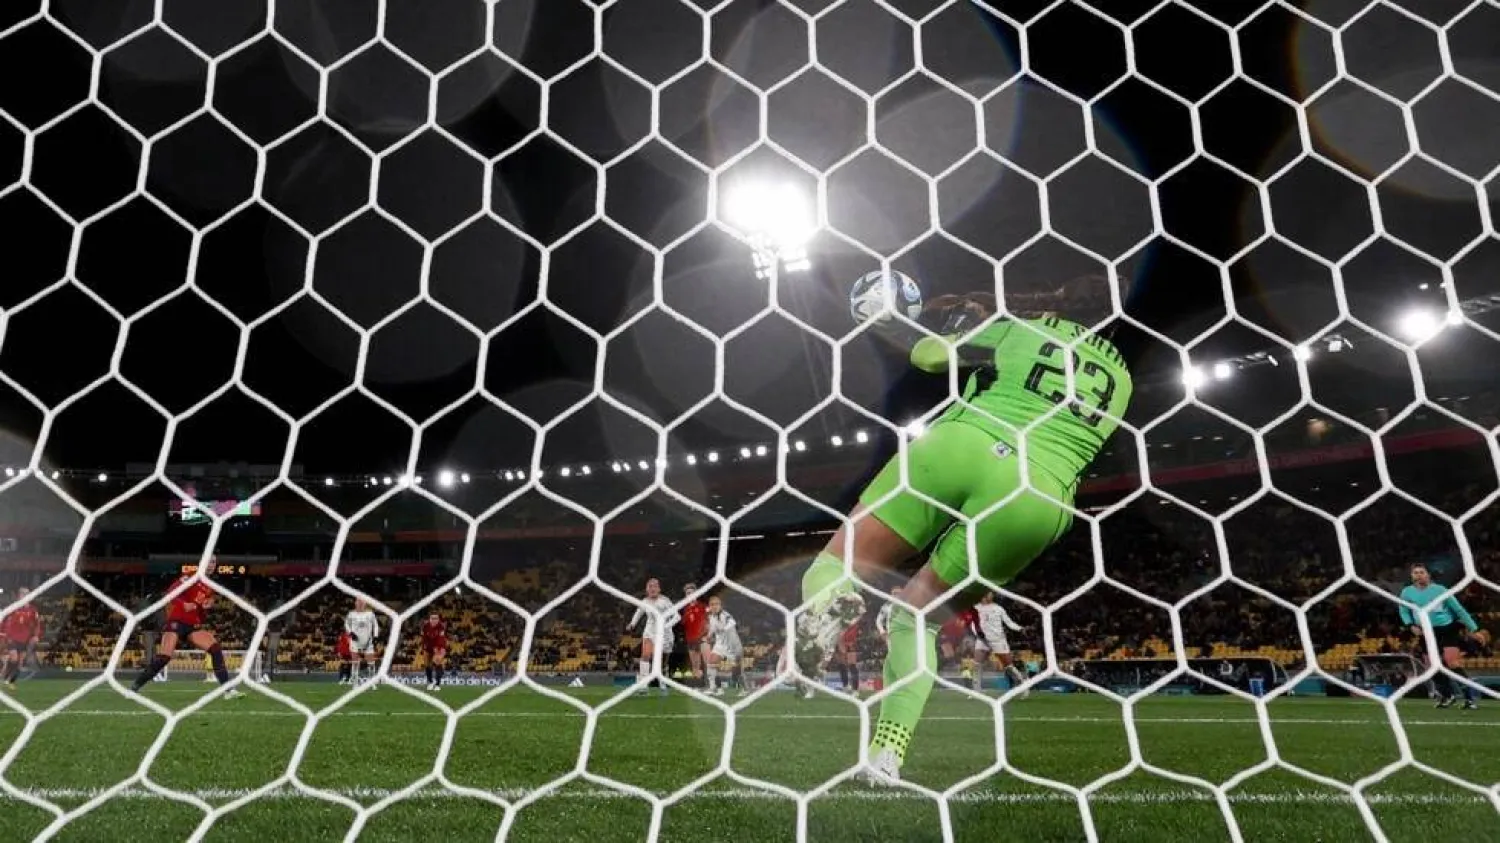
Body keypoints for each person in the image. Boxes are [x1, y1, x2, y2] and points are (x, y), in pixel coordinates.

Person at [795, 276, 1132, 782]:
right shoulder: (1122, 380)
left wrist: (961, 325)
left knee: (836, 565)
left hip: (963, 446)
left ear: (1064, 298)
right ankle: (887, 756)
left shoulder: (1022, 328)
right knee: (917, 616)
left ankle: (825, 609)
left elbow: (929, 357)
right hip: (1038, 497)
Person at [131, 567, 243, 698]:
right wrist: (183, 604)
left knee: (215, 649)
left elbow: (200, 613)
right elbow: (171, 592)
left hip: (192, 626)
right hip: (176, 621)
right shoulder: (190, 576)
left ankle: (228, 690)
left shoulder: (210, 587)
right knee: (164, 658)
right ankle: (135, 687)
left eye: (214, 562)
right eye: (209, 561)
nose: (211, 565)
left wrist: (206, 608)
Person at [1399, 564, 1481, 710]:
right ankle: (1447, 696)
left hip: (1447, 628)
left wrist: (1474, 628)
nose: (1418, 575)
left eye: (1422, 572)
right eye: (1415, 573)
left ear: (1428, 575)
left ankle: (1469, 698)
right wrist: (1411, 625)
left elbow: (1458, 609)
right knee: (1431, 666)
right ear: (1412, 576)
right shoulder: (1407, 592)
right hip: (1426, 632)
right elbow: (1404, 611)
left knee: (1451, 662)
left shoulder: (1440, 590)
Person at [626, 578, 677, 696]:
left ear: (659, 589)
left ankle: (663, 681)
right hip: (650, 631)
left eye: (655, 586)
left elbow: (677, 616)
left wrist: (665, 626)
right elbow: (639, 612)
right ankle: (643, 686)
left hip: (665, 634)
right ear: (646, 589)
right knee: (645, 656)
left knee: (662, 662)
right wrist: (632, 624)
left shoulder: (665, 601)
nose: (652, 588)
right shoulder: (645, 601)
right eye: (650, 586)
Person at [972, 592, 1027, 695]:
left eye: (992, 594)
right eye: (989, 593)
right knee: (976, 665)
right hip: (983, 640)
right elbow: (973, 624)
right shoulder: (976, 608)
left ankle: (1023, 686)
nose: (991, 595)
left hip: (998, 640)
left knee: (1008, 667)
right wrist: (977, 634)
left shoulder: (998, 608)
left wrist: (1020, 628)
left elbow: (1009, 622)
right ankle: (976, 691)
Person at [1, 588, 42, 688]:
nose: (25, 595)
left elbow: (37, 624)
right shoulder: (12, 608)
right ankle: (5, 677)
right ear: (19, 595)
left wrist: (36, 635)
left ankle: (10, 681)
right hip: (12, 637)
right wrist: (2, 633)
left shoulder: (32, 610)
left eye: (27, 593)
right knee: (14, 658)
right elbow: (3, 619)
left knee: (19, 663)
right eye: (23, 593)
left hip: (25, 639)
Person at [706, 596, 745, 696]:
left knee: (736, 672)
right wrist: (709, 635)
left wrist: (724, 628)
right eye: (712, 604)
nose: (714, 606)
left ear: (720, 605)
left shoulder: (725, 615)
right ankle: (715, 688)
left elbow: (732, 622)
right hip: (720, 645)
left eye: (716, 604)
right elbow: (712, 629)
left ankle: (744, 689)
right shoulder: (711, 617)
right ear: (709, 606)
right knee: (711, 662)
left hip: (733, 646)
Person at [344, 599, 381, 684]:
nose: (360, 604)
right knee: (355, 663)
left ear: (365, 604)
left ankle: (372, 682)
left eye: (362, 602)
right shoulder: (351, 614)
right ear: (355, 603)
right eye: (358, 602)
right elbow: (346, 624)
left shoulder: (370, 613)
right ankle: (355, 682)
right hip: (355, 642)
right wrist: (350, 633)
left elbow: (375, 625)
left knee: (371, 664)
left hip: (368, 642)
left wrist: (375, 636)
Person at [680, 583, 709, 686]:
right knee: (695, 666)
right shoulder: (684, 609)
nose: (690, 595)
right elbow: (683, 623)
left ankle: (711, 685)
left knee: (707, 662)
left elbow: (709, 620)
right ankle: (699, 685)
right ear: (686, 595)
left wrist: (707, 634)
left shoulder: (703, 606)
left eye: (692, 593)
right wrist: (686, 615)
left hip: (702, 638)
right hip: (691, 640)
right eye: (688, 593)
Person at [420, 611, 447, 692]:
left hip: (439, 646)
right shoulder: (425, 626)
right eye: (432, 618)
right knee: (427, 665)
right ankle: (430, 682)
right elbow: (424, 637)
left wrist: (438, 649)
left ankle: (438, 684)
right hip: (428, 647)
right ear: (429, 619)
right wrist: (424, 647)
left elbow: (441, 639)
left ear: (438, 619)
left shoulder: (441, 627)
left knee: (437, 661)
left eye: (436, 618)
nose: (434, 620)